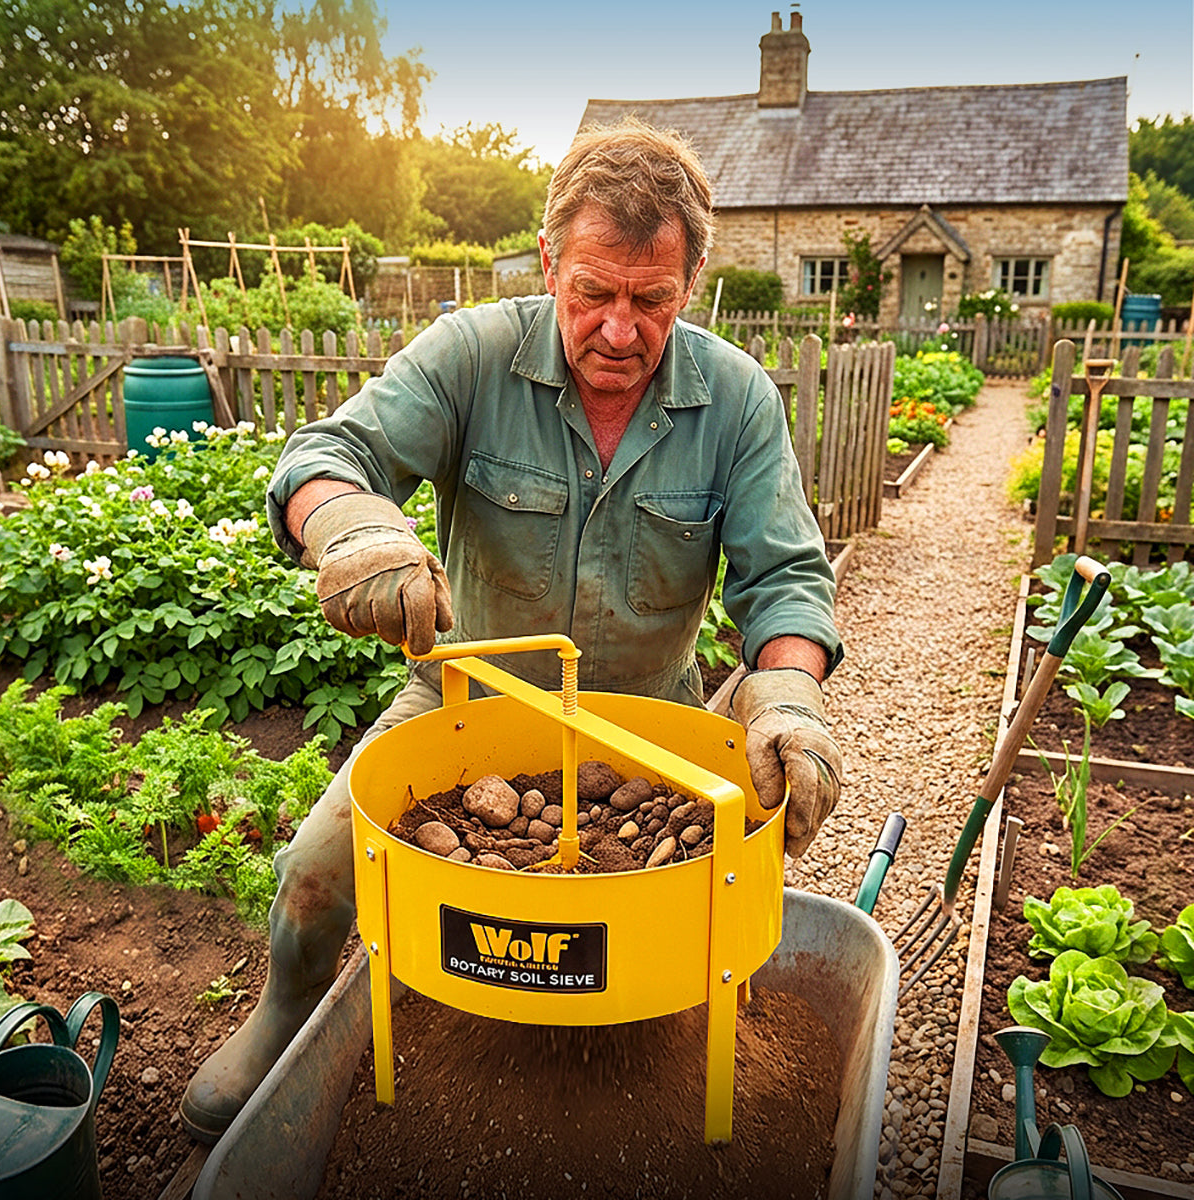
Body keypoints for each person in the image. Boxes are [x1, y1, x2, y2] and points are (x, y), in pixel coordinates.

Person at [179, 116, 843, 1143]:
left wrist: (788, 697)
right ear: (548, 263)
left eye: (650, 301)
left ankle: (638, 1073)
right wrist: (355, 530)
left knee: (657, 933)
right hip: (462, 700)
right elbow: (327, 453)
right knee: (315, 878)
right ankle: (284, 1020)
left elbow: (787, 579)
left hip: (646, 728)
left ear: (693, 282)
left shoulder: (738, 402)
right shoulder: (473, 357)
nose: (619, 330)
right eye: (592, 293)